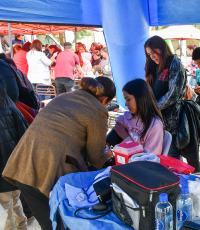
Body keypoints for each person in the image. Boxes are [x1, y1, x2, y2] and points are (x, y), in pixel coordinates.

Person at [3, 77, 116, 230]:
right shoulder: (98, 109)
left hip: (23, 164)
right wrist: (107, 155)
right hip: (51, 172)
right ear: (105, 99)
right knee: (62, 224)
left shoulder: (64, 96)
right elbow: (95, 157)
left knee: (48, 224)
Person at [144, 35, 186, 160]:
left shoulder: (175, 64)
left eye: (154, 52)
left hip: (172, 120)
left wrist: (153, 108)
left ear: (162, 48)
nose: (152, 57)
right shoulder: (154, 66)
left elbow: (173, 94)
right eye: (149, 54)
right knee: (159, 156)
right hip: (156, 119)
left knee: (172, 157)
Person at [0, 59, 28, 230]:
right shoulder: (11, 106)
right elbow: (25, 134)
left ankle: (14, 226)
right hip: (14, 168)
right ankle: (22, 225)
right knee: (15, 200)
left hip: (2, 171)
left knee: (6, 207)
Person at [107, 79, 164, 155]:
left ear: (140, 97)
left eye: (128, 99)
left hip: (140, 165)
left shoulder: (155, 125)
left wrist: (126, 137)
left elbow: (149, 158)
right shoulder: (128, 116)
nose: (126, 104)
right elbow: (118, 124)